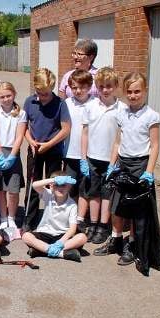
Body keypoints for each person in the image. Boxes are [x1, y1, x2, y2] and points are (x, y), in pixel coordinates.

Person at [94, 72, 160, 267]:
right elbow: (117, 142)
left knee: (134, 209)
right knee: (116, 205)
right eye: (129, 92)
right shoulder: (121, 113)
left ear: (145, 91)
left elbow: (155, 145)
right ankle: (115, 239)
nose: (133, 95)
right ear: (124, 92)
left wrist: (149, 171)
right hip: (122, 163)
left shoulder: (152, 116)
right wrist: (111, 164)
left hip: (140, 165)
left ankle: (131, 244)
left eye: (137, 91)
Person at [79, 67, 125, 244]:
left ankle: (103, 226)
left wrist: (114, 163)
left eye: (108, 86)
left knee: (107, 194)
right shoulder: (90, 106)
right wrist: (83, 158)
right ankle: (93, 223)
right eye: (101, 86)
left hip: (111, 159)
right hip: (92, 157)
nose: (105, 90)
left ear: (115, 86)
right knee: (93, 193)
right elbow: (84, 133)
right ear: (96, 87)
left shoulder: (122, 108)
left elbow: (120, 137)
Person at [23, 68, 71, 232]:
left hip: (53, 149)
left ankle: (53, 218)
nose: (42, 96)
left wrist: (49, 144)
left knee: (54, 184)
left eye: (46, 93)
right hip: (35, 148)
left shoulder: (60, 104)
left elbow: (65, 129)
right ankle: (29, 219)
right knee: (33, 183)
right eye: (39, 92)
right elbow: (24, 126)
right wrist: (30, 141)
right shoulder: (30, 102)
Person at [0, 81, 27, 233]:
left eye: (8, 96)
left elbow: (19, 136)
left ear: (14, 94)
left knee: (13, 188)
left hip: (12, 151)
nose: (6, 99)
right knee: (0, 188)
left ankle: (11, 217)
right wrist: (0, 156)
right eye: (2, 97)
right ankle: (3, 217)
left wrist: (12, 156)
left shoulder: (21, 113)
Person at [22, 172, 86, 262]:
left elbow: (72, 229)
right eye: (57, 185)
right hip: (45, 233)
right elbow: (35, 185)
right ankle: (61, 253)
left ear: (69, 187)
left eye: (63, 185)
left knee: (82, 237)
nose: (60, 188)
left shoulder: (72, 205)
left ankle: (41, 251)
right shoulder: (48, 195)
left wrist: (61, 242)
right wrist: (53, 180)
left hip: (62, 236)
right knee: (26, 236)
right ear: (51, 187)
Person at [63, 70, 97, 223]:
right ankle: (70, 215)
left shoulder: (96, 103)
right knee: (70, 186)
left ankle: (82, 218)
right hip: (70, 152)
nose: (78, 91)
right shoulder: (67, 103)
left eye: (82, 87)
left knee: (86, 187)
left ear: (89, 86)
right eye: (74, 87)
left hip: (89, 154)